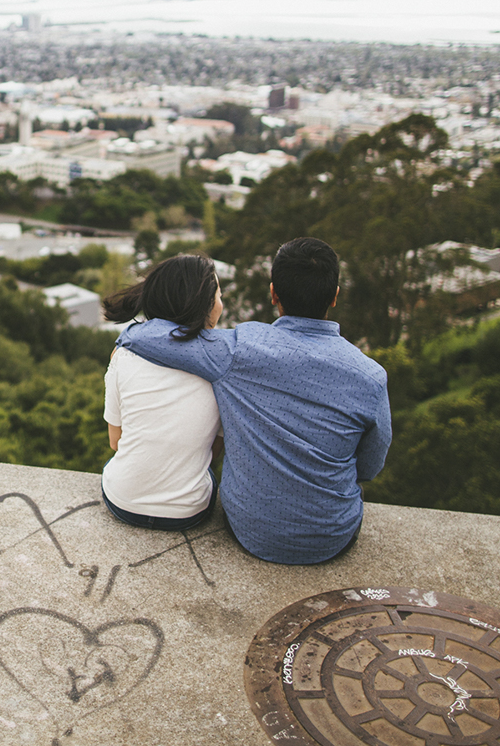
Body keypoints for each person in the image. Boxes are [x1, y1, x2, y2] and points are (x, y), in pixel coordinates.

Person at [115, 237, 390, 564]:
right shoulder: (371, 377)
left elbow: (156, 338)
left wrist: (128, 334)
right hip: (331, 538)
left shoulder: (238, 350)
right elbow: (369, 467)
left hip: (249, 529)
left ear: (273, 293)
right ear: (334, 295)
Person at [98, 254, 226, 531]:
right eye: (218, 296)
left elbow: (115, 442)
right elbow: (213, 452)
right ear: (205, 305)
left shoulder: (124, 352)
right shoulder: (223, 368)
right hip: (188, 512)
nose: (221, 303)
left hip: (122, 502)